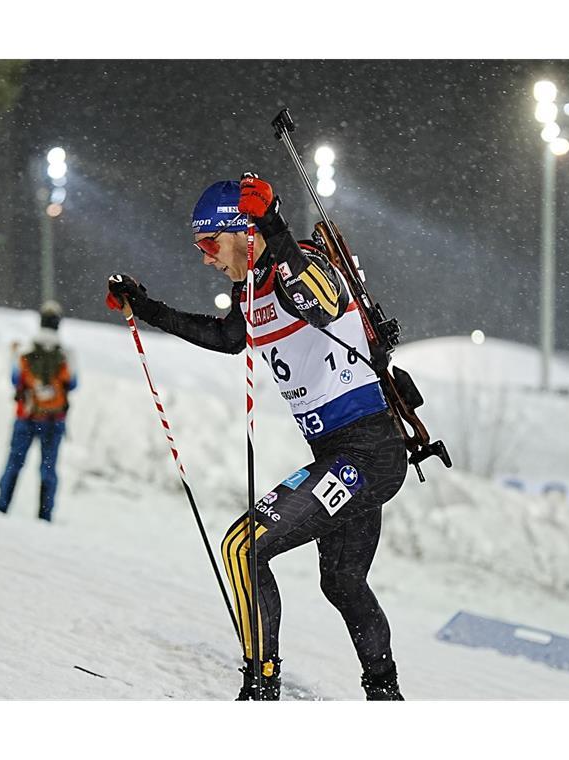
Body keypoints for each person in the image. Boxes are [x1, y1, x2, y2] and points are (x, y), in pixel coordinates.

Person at [107, 175, 408, 701]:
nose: (206, 258)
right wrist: (146, 307)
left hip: (369, 452)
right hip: (339, 452)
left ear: (243, 233)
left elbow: (322, 303)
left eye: (210, 243)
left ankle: (261, 689)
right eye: (199, 248)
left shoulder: (302, 265)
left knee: (242, 546)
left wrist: (272, 223)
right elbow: (227, 337)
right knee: (342, 581)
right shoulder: (251, 289)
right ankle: (385, 695)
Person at [0, 301, 77, 522]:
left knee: (14, 463)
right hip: (54, 419)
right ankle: (44, 516)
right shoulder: (66, 354)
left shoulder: (25, 350)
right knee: (48, 469)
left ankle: (2, 506)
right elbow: (73, 384)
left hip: (27, 416)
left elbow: (15, 380)